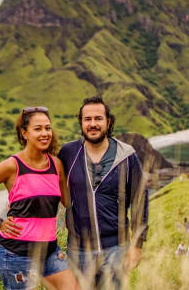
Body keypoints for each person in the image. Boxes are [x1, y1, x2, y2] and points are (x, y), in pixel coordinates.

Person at [0, 106, 78, 290]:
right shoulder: (12, 166)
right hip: (15, 254)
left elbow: (68, 202)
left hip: (49, 251)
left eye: (48, 128)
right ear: (24, 133)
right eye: (38, 129)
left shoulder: (56, 164)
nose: (45, 133)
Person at [58, 96, 149, 289]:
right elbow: (50, 190)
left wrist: (137, 245)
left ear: (108, 121)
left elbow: (140, 200)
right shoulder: (68, 153)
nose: (93, 124)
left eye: (98, 118)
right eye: (87, 119)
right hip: (78, 252)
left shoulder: (127, 155)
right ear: (81, 123)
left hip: (116, 249)